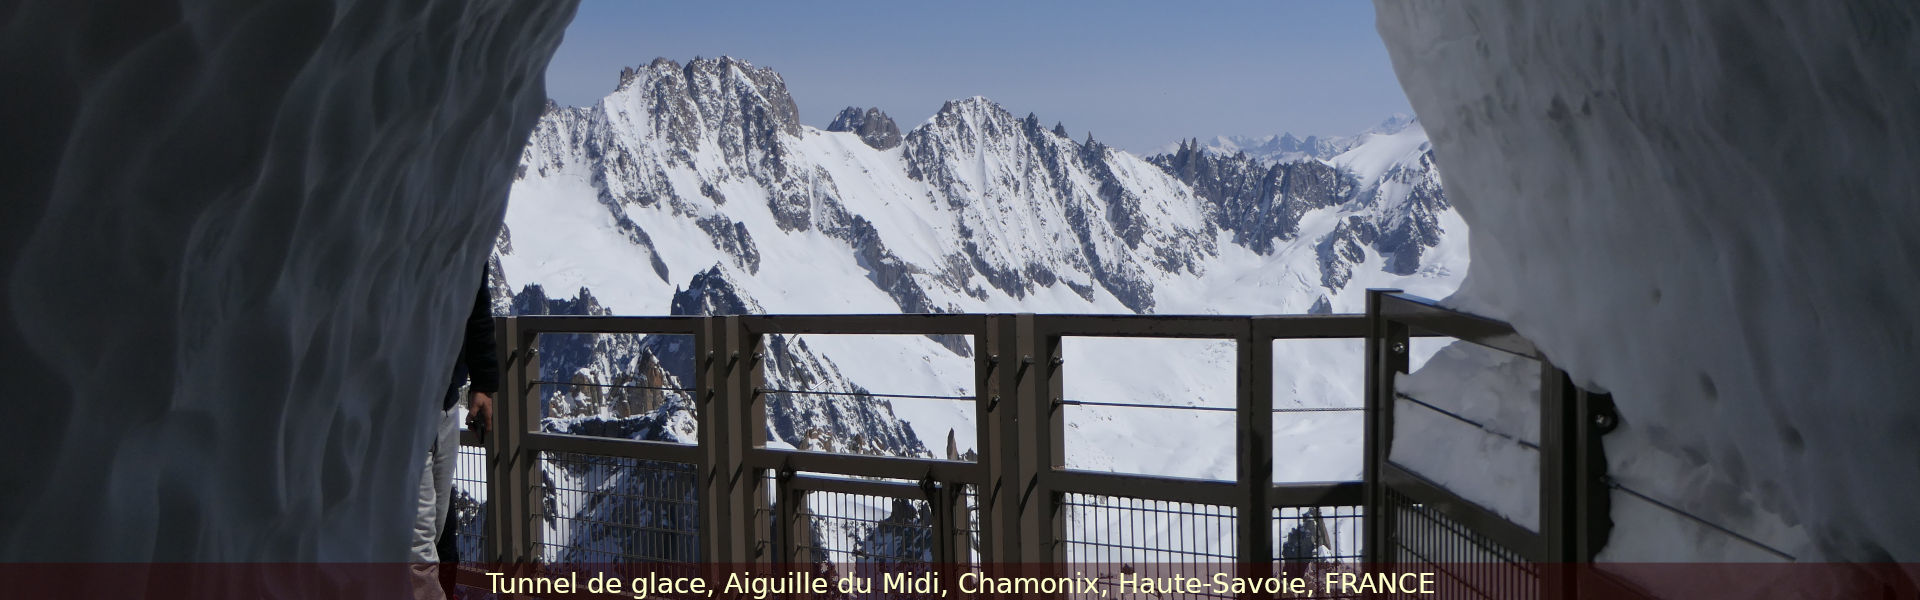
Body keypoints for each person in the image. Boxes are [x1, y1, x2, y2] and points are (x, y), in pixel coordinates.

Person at [412, 266, 497, 600]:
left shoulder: (460, 224)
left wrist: (484, 384)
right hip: (401, 408)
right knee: (418, 544)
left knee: (436, 530)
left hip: (446, 401)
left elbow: (477, 305)